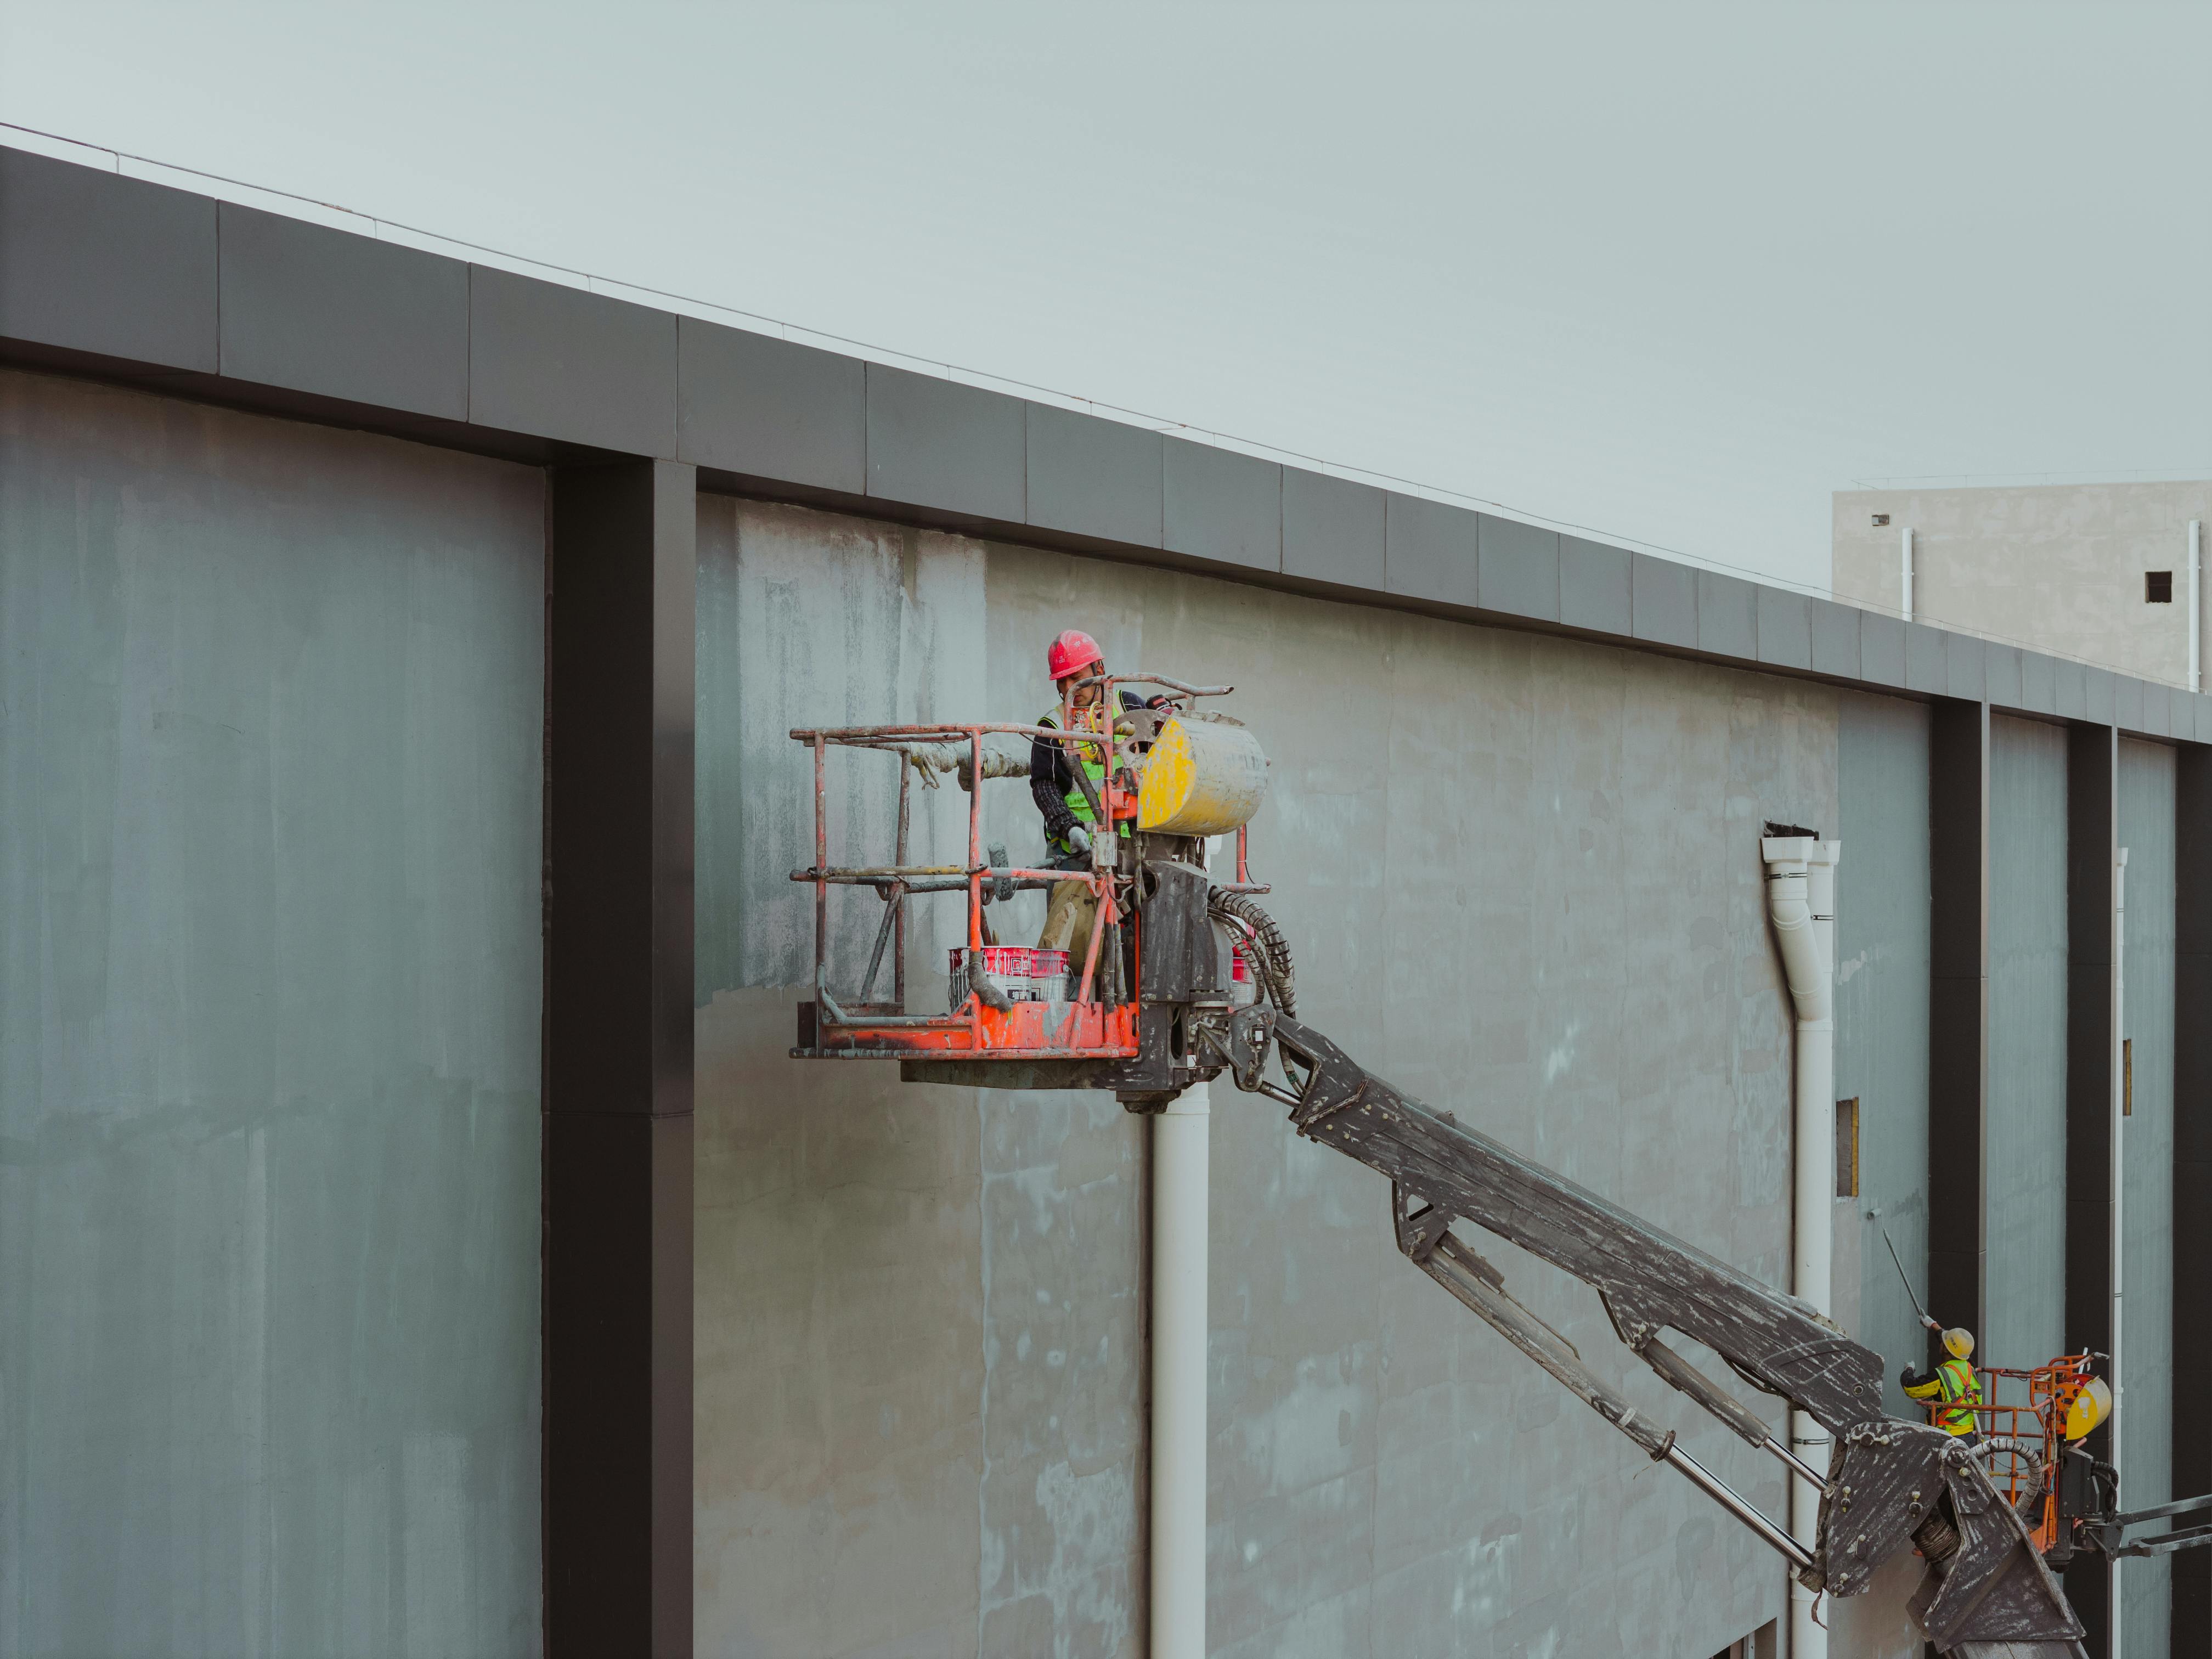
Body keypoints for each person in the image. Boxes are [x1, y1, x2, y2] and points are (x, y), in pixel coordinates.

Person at [1030, 629, 1155, 980]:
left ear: (1100, 669)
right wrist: (1068, 827)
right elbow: (1044, 786)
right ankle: (1069, 1016)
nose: (1071, 688)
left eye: (1079, 679)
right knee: (1074, 951)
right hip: (1077, 851)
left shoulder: (1129, 706)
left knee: (1137, 950)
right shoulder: (1052, 725)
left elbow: (1156, 752)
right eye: (1063, 680)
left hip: (1133, 846)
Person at [1902, 1327, 1984, 1444]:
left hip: (1947, 1438)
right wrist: (1934, 1325)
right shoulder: (1970, 1367)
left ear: (1945, 1349)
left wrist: (1909, 1370)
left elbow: (1910, 1388)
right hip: (1968, 1436)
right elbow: (1956, 1345)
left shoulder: (1941, 1375)